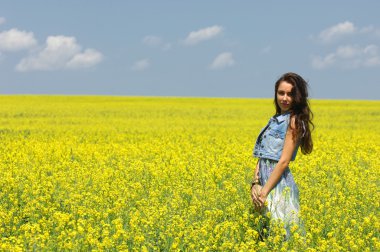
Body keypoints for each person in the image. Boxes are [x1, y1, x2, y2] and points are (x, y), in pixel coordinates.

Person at [251, 72, 314, 239]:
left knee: (282, 235)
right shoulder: (275, 119)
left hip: (277, 184)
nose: (285, 98)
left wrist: (264, 192)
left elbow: (284, 161)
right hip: (263, 184)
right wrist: (255, 184)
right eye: (281, 93)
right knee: (263, 235)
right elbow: (262, 155)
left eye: (290, 94)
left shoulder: (293, 121)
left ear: (297, 97)